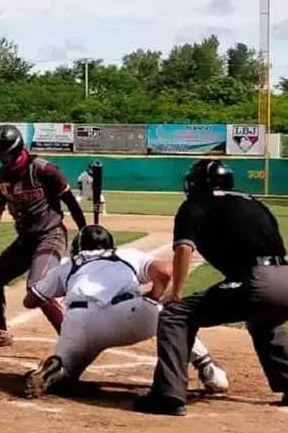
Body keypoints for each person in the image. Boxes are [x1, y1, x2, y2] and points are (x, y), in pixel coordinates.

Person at [135, 159, 288, 416]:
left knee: (176, 314)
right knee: (264, 319)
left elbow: (184, 248)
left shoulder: (196, 204)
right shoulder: (252, 201)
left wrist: (178, 291)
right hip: (284, 277)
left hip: (257, 280)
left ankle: (168, 395)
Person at [21, 224, 229, 398]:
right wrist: (154, 296)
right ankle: (211, 372)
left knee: (66, 375)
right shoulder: (126, 254)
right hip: (129, 314)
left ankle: (58, 369)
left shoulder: (68, 265)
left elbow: (31, 301)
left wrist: (59, 283)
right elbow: (165, 271)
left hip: (80, 323)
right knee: (173, 318)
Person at [0, 124, 88, 347]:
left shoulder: (44, 170)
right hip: (26, 239)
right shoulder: (0, 177)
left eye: (2, 154)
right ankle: (0, 333)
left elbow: (70, 202)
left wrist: (84, 230)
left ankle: (71, 339)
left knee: (37, 286)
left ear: (15, 151)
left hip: (50, 235)